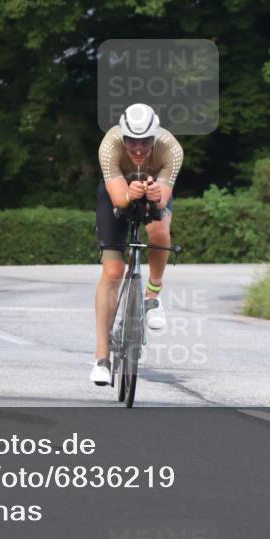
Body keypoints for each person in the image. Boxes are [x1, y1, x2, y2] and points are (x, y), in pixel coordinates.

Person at [91, 103, 184, 386]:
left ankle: (152, 294)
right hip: (118, 194)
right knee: (112, 272)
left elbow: (164, 200)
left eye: (145, 142)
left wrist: (156, 196)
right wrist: (130, 194)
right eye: (132, 142)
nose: (139, 149)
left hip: (154, 192)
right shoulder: (109, 146)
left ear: (155, 137)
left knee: (158, 228)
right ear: (123, 137)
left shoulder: (172, 149)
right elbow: (119, 200)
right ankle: (102, 358)